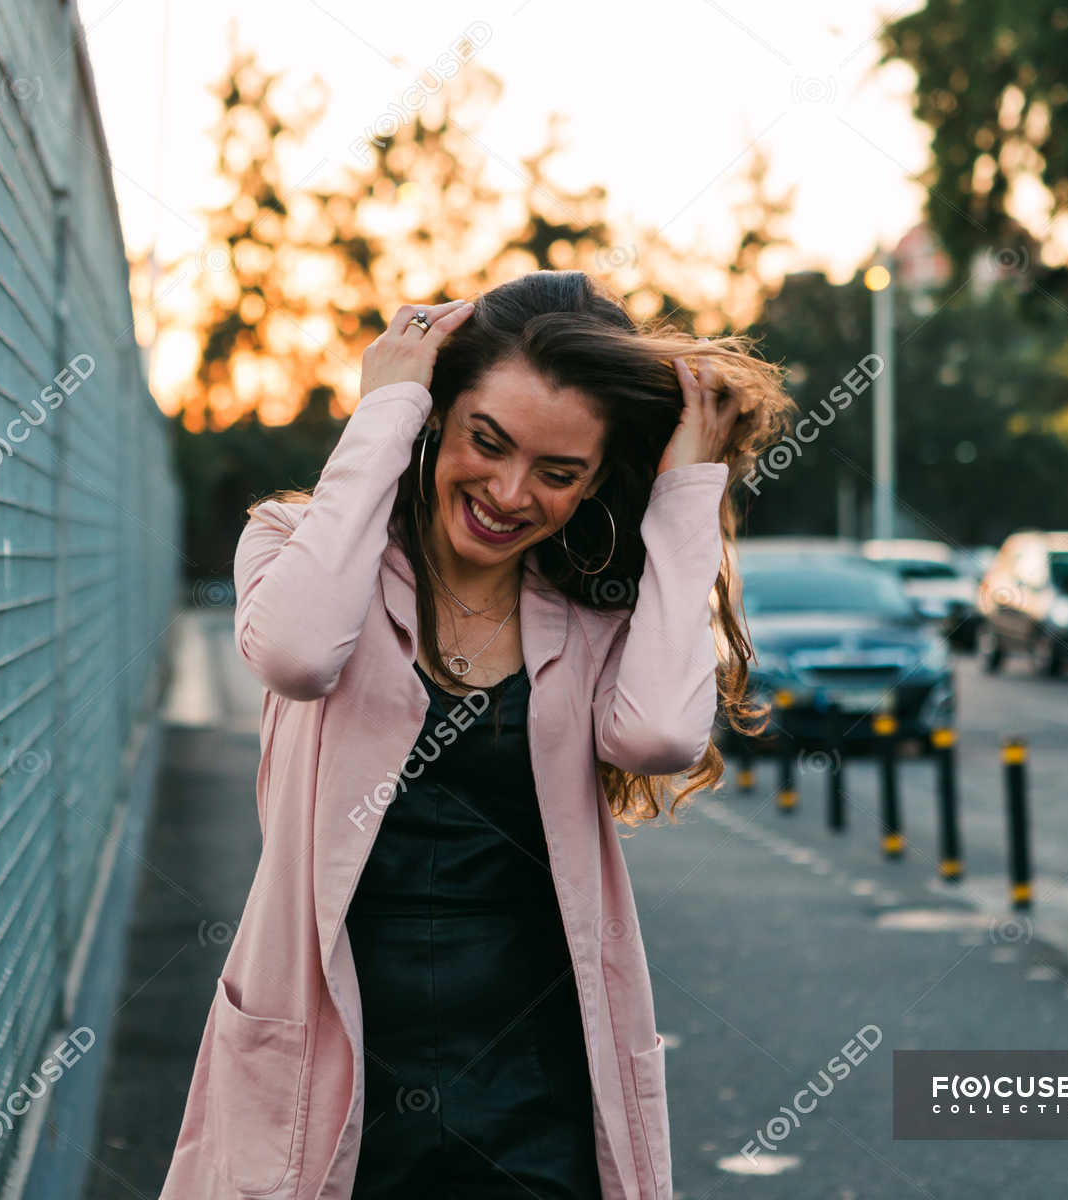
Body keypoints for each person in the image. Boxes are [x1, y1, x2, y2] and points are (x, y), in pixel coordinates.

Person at [158, 270, 790, 1200]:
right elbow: (296, 655)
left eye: (558, 472)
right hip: (331, 1076)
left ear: (593, 484)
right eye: (484, 442)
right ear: (435, 420)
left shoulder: (588, 616)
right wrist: (385, 407)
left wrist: (689, 486)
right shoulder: (299, 549)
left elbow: (657, 735)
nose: (507, 491)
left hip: (536, 1090)